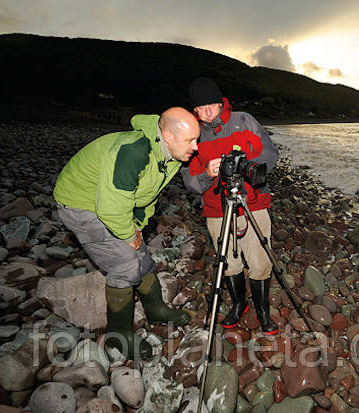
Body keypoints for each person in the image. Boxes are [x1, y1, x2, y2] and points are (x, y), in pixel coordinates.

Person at [53, 107, 200, 360]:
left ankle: (155, 310)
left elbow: (147, 197)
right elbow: (110, 208)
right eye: (191, 140)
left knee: (141, 257)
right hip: (79, 203)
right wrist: (128, 236)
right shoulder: (133, 152)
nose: (196, 147)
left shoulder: (171, 156)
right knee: (124, 264)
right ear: (167, 136)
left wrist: (137, 228)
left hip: (110, 202)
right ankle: (117, 335)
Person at [182, 77, 279, 335]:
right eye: (200, 109)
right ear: (194, 111)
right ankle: (239, 305)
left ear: (219, 101)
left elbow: (270, 153)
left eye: (210, 105)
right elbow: (190, 182)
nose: (207, 112)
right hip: (217, 209)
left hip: (253, 203)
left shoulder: (243, 120)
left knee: (260, 261)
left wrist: (247, 167)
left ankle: (263, 311)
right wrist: (206, 172)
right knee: (229, 263)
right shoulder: (193, 135)